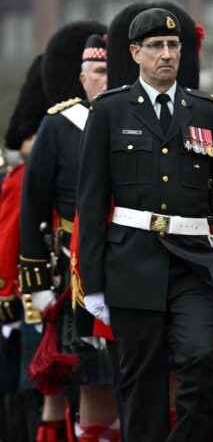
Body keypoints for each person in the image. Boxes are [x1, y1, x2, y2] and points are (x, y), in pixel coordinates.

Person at [76, 6, 213, 442]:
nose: (166, 54)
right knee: (142, 381)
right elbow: (92, 201)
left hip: (194, 263)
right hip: (133, 261)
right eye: (155, 46)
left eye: (173, 45)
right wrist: (92, 282)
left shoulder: (206, 111)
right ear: (135, 52)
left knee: (200, 363)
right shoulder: (111, 111)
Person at [20, 24, 121, 442]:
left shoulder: (130, 119)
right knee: (88, 377)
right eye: (97, 72)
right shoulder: (58, 125)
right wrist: (36, 281)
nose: (105, 80)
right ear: (81, 78)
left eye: (110, 72)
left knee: (129, 377)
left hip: (127, 259)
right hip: (72, 271)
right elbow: (33, 205)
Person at [0, 55, 48, 442]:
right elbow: (10, 236)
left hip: (65, 284)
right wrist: (5, 291)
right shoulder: (22, 177)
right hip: (31, 293)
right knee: (33, 385)